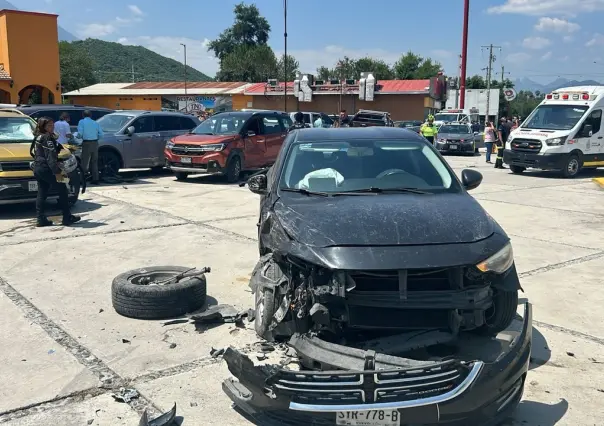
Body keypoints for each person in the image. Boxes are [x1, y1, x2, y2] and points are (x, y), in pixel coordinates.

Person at [32, 117, 81, 227]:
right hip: (47, 169)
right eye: (49, 125)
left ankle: (40, 219)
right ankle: (67, 217)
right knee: (63, 188)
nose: (52, 127)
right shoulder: (47, 138)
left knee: (42, 191)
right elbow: (50, 158)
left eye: (52, 125)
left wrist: (66, 147)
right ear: (42, 126)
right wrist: (58, 172)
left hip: (38, 168)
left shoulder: (39, 137)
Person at [77, 110, 104, 184]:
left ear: (83, 115)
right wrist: (95, 138)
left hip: (86, 143)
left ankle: (81, 180)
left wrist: (76, 136)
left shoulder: (81, 122)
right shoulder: (95, 123)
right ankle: (95, 179)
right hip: (95, 143)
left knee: (84, 162)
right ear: (91, 115)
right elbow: (101, 134)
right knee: (94, 162)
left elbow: (80, 133)